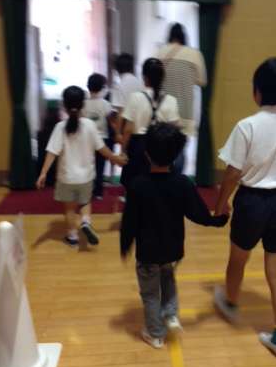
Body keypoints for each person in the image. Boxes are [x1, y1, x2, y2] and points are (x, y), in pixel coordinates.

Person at [213, 57, 276, 361]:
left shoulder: (247, 126)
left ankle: (231, 303)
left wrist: (221, 204)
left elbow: (232, 173)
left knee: (238, 259)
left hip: (251, 202)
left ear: (256, 91)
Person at [120, 122, 228, 349]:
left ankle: (155, 334)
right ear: (177, 154)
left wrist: (125, 245)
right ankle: (170, 315)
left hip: (148, 252)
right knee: (168, 278)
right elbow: (198, 214)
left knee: (150, 293)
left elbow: (129, 221)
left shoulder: (138, 185)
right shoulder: (182, 183)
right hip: (173, 249)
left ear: (147, 154)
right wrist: (217, 220)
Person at [36, 86, 127, 248]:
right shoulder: (89, 125)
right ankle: (85, 221)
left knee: (70, 208)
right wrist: (115, 158)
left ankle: (72, 236)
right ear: (83, 105)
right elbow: (102, 148)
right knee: (85, 202)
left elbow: (52, 152)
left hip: (66, 177)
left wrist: (43, 173)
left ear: (64, 105)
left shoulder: (60, 127)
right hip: (86, 177)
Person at [120, 58, 180, 187]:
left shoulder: (135, 97)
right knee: (160, 185)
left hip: (137, 147)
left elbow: (128, 129)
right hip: (162, 147)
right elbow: (174, 129)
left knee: (135, 185)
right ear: (162, 78)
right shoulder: (171, 100)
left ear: (144, 77)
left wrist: (123, 151)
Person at [157, 23, 207, 173]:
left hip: (162, 110)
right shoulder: (194, 54)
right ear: (184, 37)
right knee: (180, 148)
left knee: (162, 149)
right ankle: (176, 180)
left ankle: (162, 180)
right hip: (184, 111)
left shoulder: (159, 53)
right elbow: (202, 81)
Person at [83, 73, 114, 199]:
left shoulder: (83, 104)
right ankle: (98, 192)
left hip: (87, 139)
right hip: (102, 139)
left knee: (88, 166)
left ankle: (87, 190)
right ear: (102, 87)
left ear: (88, 86)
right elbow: (111, 120)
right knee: (100, 167)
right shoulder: (105, 104)